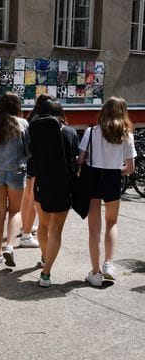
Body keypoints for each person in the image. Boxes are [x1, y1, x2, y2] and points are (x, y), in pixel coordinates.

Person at [78, 97, 137, 287]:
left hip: (93, 177)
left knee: (94, 228)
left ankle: (94, 273)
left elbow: (81, 159)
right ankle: (108, 265)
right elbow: (130, 168)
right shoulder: (127, 135)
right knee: (112, 223)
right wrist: (115, 168)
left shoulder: (91, 131)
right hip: (112, 178)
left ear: (103, 111)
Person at [29, 99, 79, 287]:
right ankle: (46, 273)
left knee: (42, 224)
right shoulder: (70, 132)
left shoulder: (34, 130)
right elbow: (75, 160)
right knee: (56, 230)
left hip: (41, 185)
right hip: (62, 187)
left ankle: (44, 256)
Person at [0, 92, 30, 267]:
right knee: (15, 211)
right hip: (17, 172)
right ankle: (9, 245)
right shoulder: (23, 124)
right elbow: (28, 151)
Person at [18, 95, 57, 251]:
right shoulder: (44, 122)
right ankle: (26, 235)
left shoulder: (30, 119)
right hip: (37, 164)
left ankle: (24, 227)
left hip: (29, 162)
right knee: (33, 199)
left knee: (27, 197)